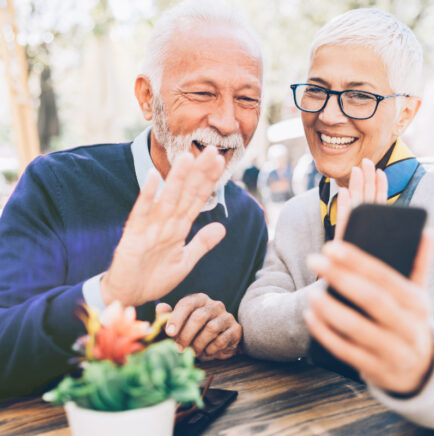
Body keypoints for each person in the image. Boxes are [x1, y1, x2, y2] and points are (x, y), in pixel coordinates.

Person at [0, 0, 267, 398]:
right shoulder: (56, 186)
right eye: (202, 92)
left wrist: (228, 336)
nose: (228, 122)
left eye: (247, 99)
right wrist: (109, 296)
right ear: (147, 97)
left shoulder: (247, 220)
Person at [238, 8, 434, 428]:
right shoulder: (299, 212)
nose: (329, 115)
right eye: (316, 90)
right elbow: (254, 323)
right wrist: (335, 292)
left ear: (406, 113)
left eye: (360, 95)